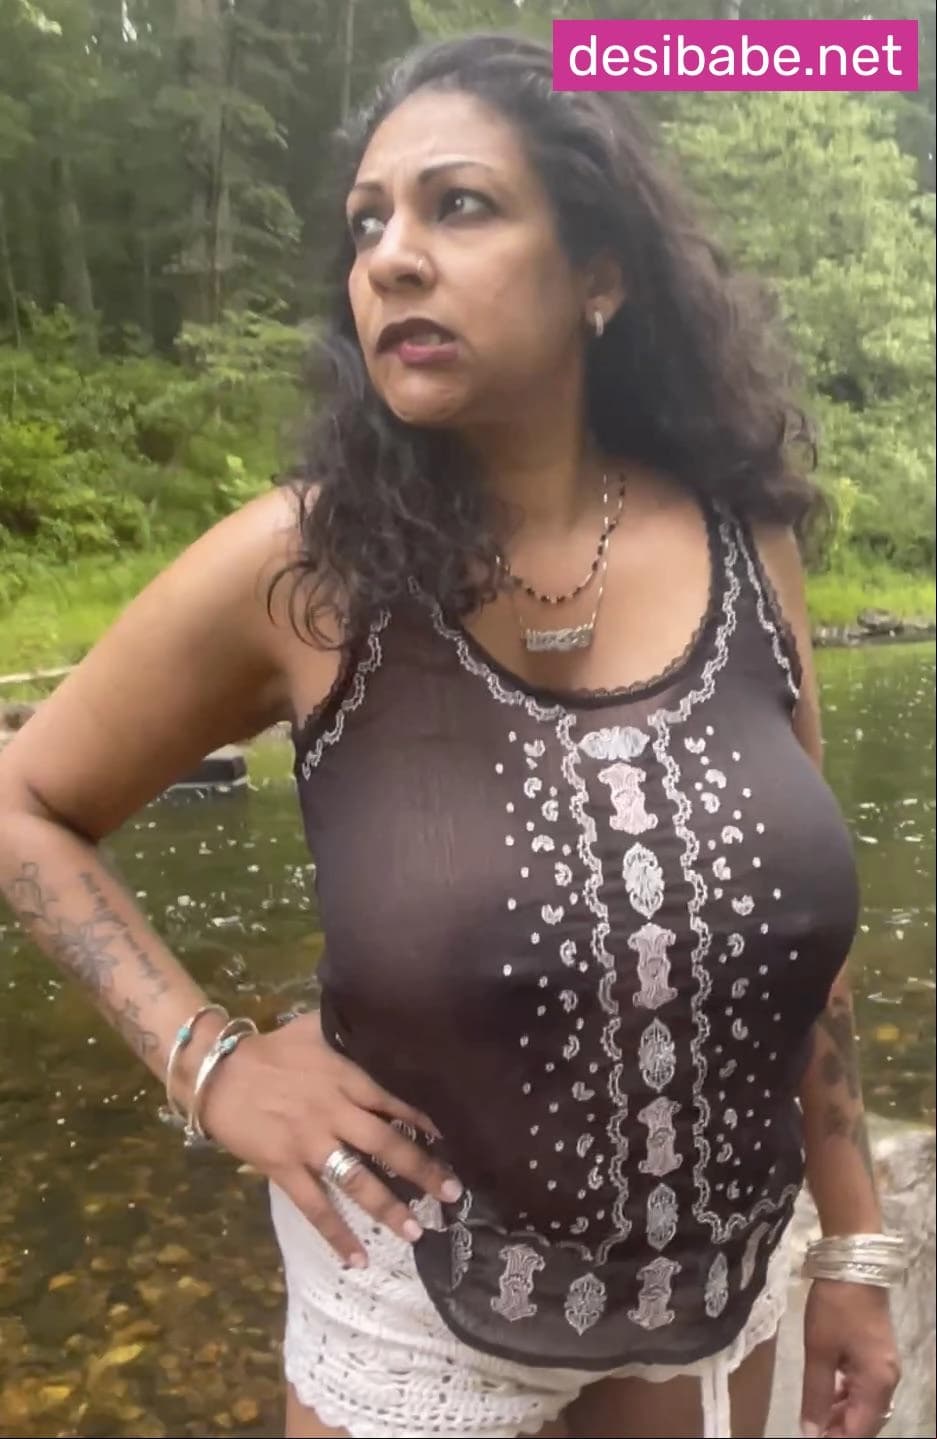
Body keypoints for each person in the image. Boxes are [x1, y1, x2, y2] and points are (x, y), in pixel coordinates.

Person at [0, 32, 904, 1439]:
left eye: (458, 205)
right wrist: (209, 1062)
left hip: (707, 1300)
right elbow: (26, 807)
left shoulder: (744, 543)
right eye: (367, 224)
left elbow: (798, 942)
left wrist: (853, 1244)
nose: (393, 260)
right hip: (416, 1312)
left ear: (600, 273)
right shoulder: (304, 574)